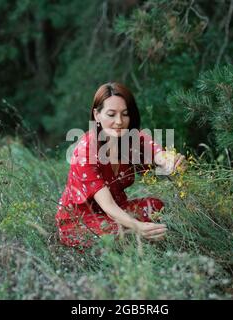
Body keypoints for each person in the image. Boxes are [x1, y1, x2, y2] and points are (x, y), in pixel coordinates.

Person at [55, 82, 186, 249]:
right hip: (82, 220)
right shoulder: (85, 152)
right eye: (111, 114)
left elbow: (159, 156)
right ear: (97, 115)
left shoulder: (132, 138)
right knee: (118, 236)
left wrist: (172, 163)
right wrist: (137, 226)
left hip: (118, 211)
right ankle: (136, 238)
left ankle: (143, 236)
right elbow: (108, 206)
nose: (119, 122)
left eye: (125, 114)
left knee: (157, 206)